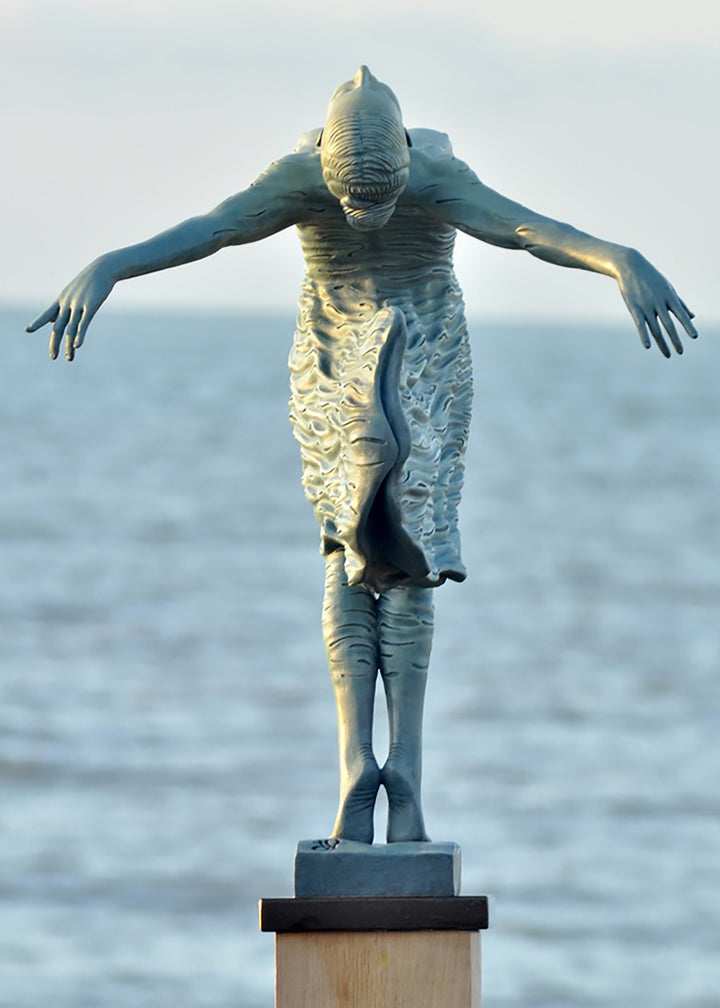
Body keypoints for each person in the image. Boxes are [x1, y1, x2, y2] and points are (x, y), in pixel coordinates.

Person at [27, 66, 697, 845]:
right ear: (328, 180)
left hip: (426, 356)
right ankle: (357, 763)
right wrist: (111, 262)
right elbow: (212, 228)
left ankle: (403, 767)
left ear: (407, 167)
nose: (369, 222)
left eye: (382, 206)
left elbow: (524, 229)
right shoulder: (294, 177)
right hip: (333, 356)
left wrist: (617, 256)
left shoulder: (440, 173)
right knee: (345, 546)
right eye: (352, 209)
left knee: (414, 553)